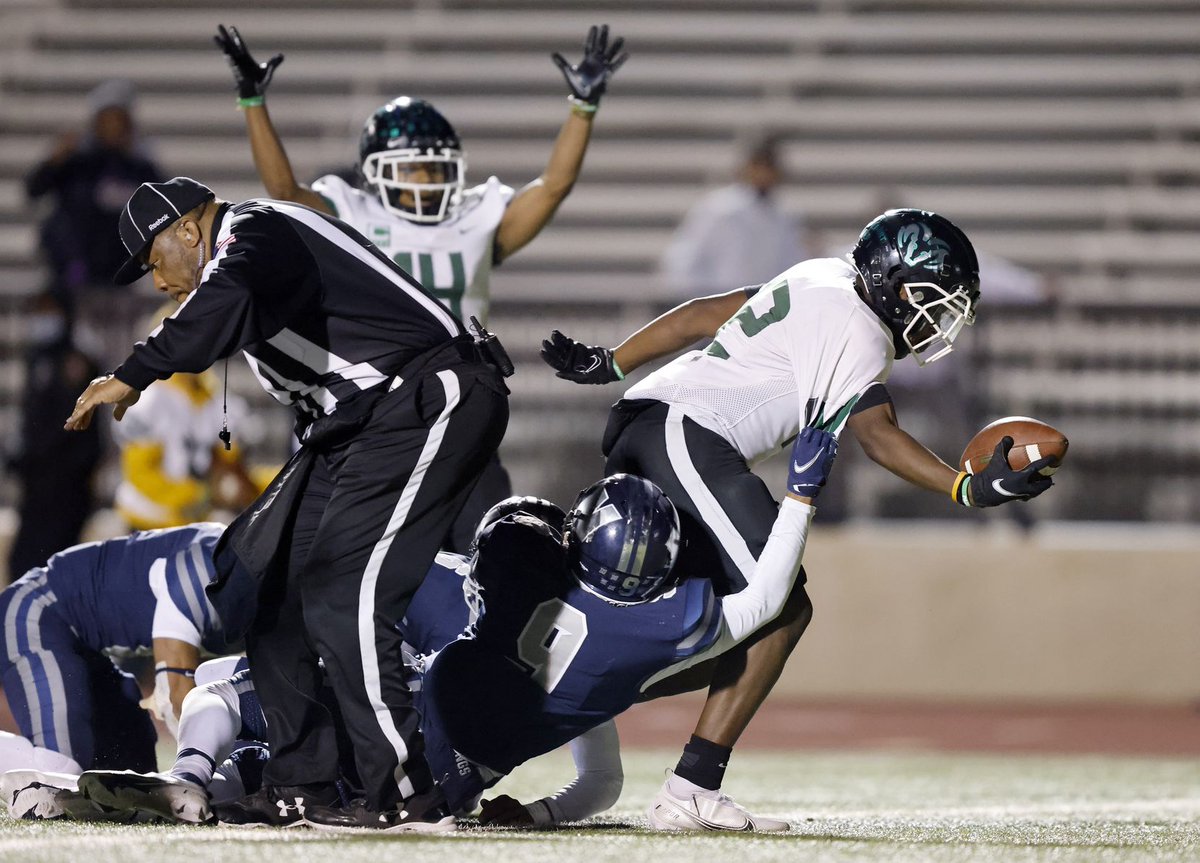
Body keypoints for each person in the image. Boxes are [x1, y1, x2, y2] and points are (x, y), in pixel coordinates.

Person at [540, 208, 1056, 831]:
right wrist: (965, 489)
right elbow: (878, 435)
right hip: (688, 435)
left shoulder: (821, 277)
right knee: (779, 606)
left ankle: (570, 709)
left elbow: (706, 313)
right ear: (894, 281)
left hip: (653, 421)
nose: (938, 319)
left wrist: (613, 362)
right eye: (932, 298)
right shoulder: (861, 330)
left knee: (675, 609)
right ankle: (687, 785)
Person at [72, 427, 835, 831]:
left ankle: (196, 778)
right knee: (305, 746)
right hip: (445, 789)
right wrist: (800, 493)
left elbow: (386, 602)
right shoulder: (644, 645)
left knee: (240, 685)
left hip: (399, 735)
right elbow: (768, 599)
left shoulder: (500, 580)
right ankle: (233, 782)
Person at [63, 176, 510, 831]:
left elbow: (225, 294)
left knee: (341, 591)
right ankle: (304, 782)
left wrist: (132, 370)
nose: (157, 282)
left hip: (426, 390)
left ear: (190, 229)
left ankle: (409, 791)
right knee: (266, 580)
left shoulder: (255, 228)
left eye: (155, 260)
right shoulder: (245, 252)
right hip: (363, 419)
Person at [213, 22, 627, 552]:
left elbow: (552, 188)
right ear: (375, 171)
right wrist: (252, 99)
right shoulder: (353, 215)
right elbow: (283, 193)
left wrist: (582, 107)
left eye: (435, 171)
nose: (427, 182)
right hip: (382, 418)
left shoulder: (475, 219)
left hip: (464, 416)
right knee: (378, 561)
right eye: (414, 169)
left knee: (489, 552)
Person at [0, 522, 228, 788]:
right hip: (37, 613)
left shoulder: (252, 569)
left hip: (88, 647)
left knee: (122, 781)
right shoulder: (211, 564)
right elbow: (174, 691)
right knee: (57, 774)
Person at [25, 80, 164, 361]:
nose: (113, 127)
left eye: (119, 120)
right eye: (107, 119)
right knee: (76, 363)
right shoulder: (77, 163)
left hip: (119, 286)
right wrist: (54, 160)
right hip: (75, 285)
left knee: (119, 362)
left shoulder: (139, 167)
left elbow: (165, 210)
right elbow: (34, 189)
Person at [112, 303, 265, 531]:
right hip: (147, 521)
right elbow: (141, 475)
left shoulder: (218, 400)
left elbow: (231, 470)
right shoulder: (146, 399)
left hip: (194, 522)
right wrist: (199, 496)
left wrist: (264, 485)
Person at [5, 292, 103, 582]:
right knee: (24, 564)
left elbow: (70, 425)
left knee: (52, 566)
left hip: (65, 483)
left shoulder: (76, 362)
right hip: (38, 485)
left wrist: (31, 453)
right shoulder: (38, 356)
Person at [658, 132, 807, 302]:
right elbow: (686, 257)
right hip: (719, 301)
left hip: (764, 306)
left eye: (769, 167)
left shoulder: (785, 215)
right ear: (746, 167)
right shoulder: (720, 208)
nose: (764, 173)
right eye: (759, 166)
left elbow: (791, 263)